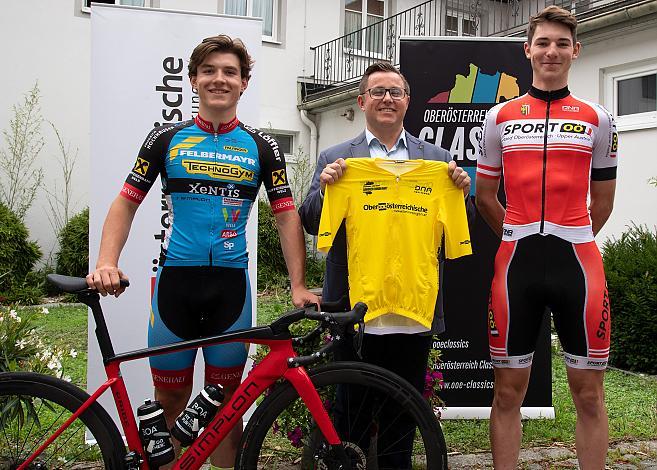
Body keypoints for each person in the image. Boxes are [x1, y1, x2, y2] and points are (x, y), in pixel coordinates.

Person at [86, 35, 318, 470]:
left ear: (244, 83)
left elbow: (286, 216)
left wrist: (298, 285)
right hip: (176, 285)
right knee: (171, 396)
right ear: (193, 80)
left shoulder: (261, 146)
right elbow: (126, 201)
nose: (219, 79)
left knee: (228, 403)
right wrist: (105, 262)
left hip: (231, 288)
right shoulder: (166, 138)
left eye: (230, 72)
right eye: (209, 71)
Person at [299, 62, 472, 467]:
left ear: (408, 102)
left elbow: (456, 229)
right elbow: (310, 220)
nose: (387, 99)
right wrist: (326, 189)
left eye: (395, 92)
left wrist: (461, 193)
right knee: (349, 412)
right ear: (361, 102)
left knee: (404, 412)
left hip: (413, 309)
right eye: (378, 91)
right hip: (353, 309)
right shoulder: (337, 158)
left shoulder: (438, 160)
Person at [475, 6, 618, 469]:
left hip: (578, 264)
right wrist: (517, 235)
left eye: (561, 43)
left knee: (589, 393)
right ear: (528, 50)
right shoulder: (498, 117)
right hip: (515, 266)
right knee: (506, 393)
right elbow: (485, 197)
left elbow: (603, 203)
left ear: (576, 50)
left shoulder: (599, 118)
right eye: (543, 42)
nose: (551, 51)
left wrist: (571, 236)